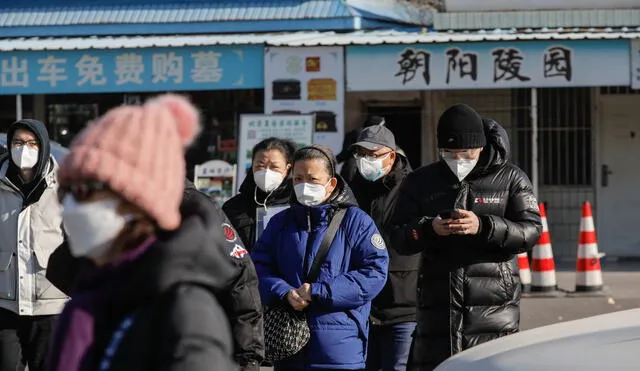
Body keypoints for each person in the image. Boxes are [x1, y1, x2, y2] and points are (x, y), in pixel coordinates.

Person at [45, 94, 237, 371]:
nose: (70, 205)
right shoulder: (90, 295)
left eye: (85, 190)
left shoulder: (185, 310)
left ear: (137, 201)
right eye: (65, 192)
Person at [391, 104, 543, 370]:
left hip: (494, 309)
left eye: (466, 153)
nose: (458, 159)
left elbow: (530, 231)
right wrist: (428, 229)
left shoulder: (511, 178)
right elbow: (398, 237)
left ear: (481, 146)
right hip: (436, 307)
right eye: (449, 153)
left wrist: (484, 226)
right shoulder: (420, 181)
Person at [252, 144, 389, 371]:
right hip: (288, 344)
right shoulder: (280, 222)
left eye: (312, 179)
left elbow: (374, 272)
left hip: (339, 348)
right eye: (297, 179)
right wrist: (284, 292)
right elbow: (257, 268)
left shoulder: (356, 221)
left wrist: (319, 291)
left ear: (331, 183)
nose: (304, 186)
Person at [344, 123, 419, 371]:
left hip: (403, 306)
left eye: (373, 155)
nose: (366, 160)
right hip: (360, 306)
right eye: (361, 154)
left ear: (391, 156)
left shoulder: (414, 188)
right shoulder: (350, 191)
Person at [0, 119, 68, 371]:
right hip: (5, 303)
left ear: (43, 146)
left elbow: (77, 245)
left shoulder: (63, 187)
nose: (24, 149)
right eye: (18, 142)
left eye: (31, 143)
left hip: (50, 302)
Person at [223, 137, 297, 251]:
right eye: (260, 166)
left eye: (274, 167)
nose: (267, 171)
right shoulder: (234, 206)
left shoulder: (297, 205)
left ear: (287, 168)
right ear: (252, 165)